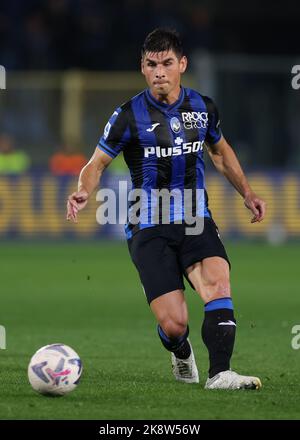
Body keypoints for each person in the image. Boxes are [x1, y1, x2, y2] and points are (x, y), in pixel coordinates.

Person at [67, 28, 266, 390]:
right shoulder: (127, 115)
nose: (159, 71)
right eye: (151, 64)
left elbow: (220, 153)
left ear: (182, 65)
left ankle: (220, 373)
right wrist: (83, 191)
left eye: (167, 63)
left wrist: (247, 192)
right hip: (147, 224)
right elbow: (96, 164)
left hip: (194, 216)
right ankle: (179, 348)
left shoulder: (203, 107)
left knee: (218, 281)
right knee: (175, 323)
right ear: (143, 68)